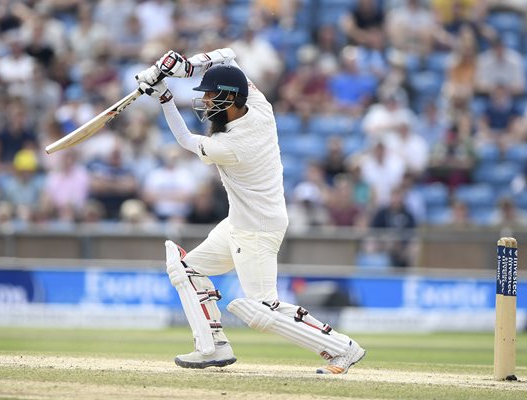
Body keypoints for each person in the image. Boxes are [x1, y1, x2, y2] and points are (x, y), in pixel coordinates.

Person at [135, 48, 365, 374]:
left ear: (230, 100)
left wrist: (163, 94)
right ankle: (211, 347)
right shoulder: (260, 106)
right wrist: (188, 67)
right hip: (240, 222)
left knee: (261, 310)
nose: (204, 103)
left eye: (211, 96)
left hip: (256, 228)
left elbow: (186, 140)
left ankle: (342, 348)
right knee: (185, 270)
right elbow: (228, 56)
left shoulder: (233, 145)